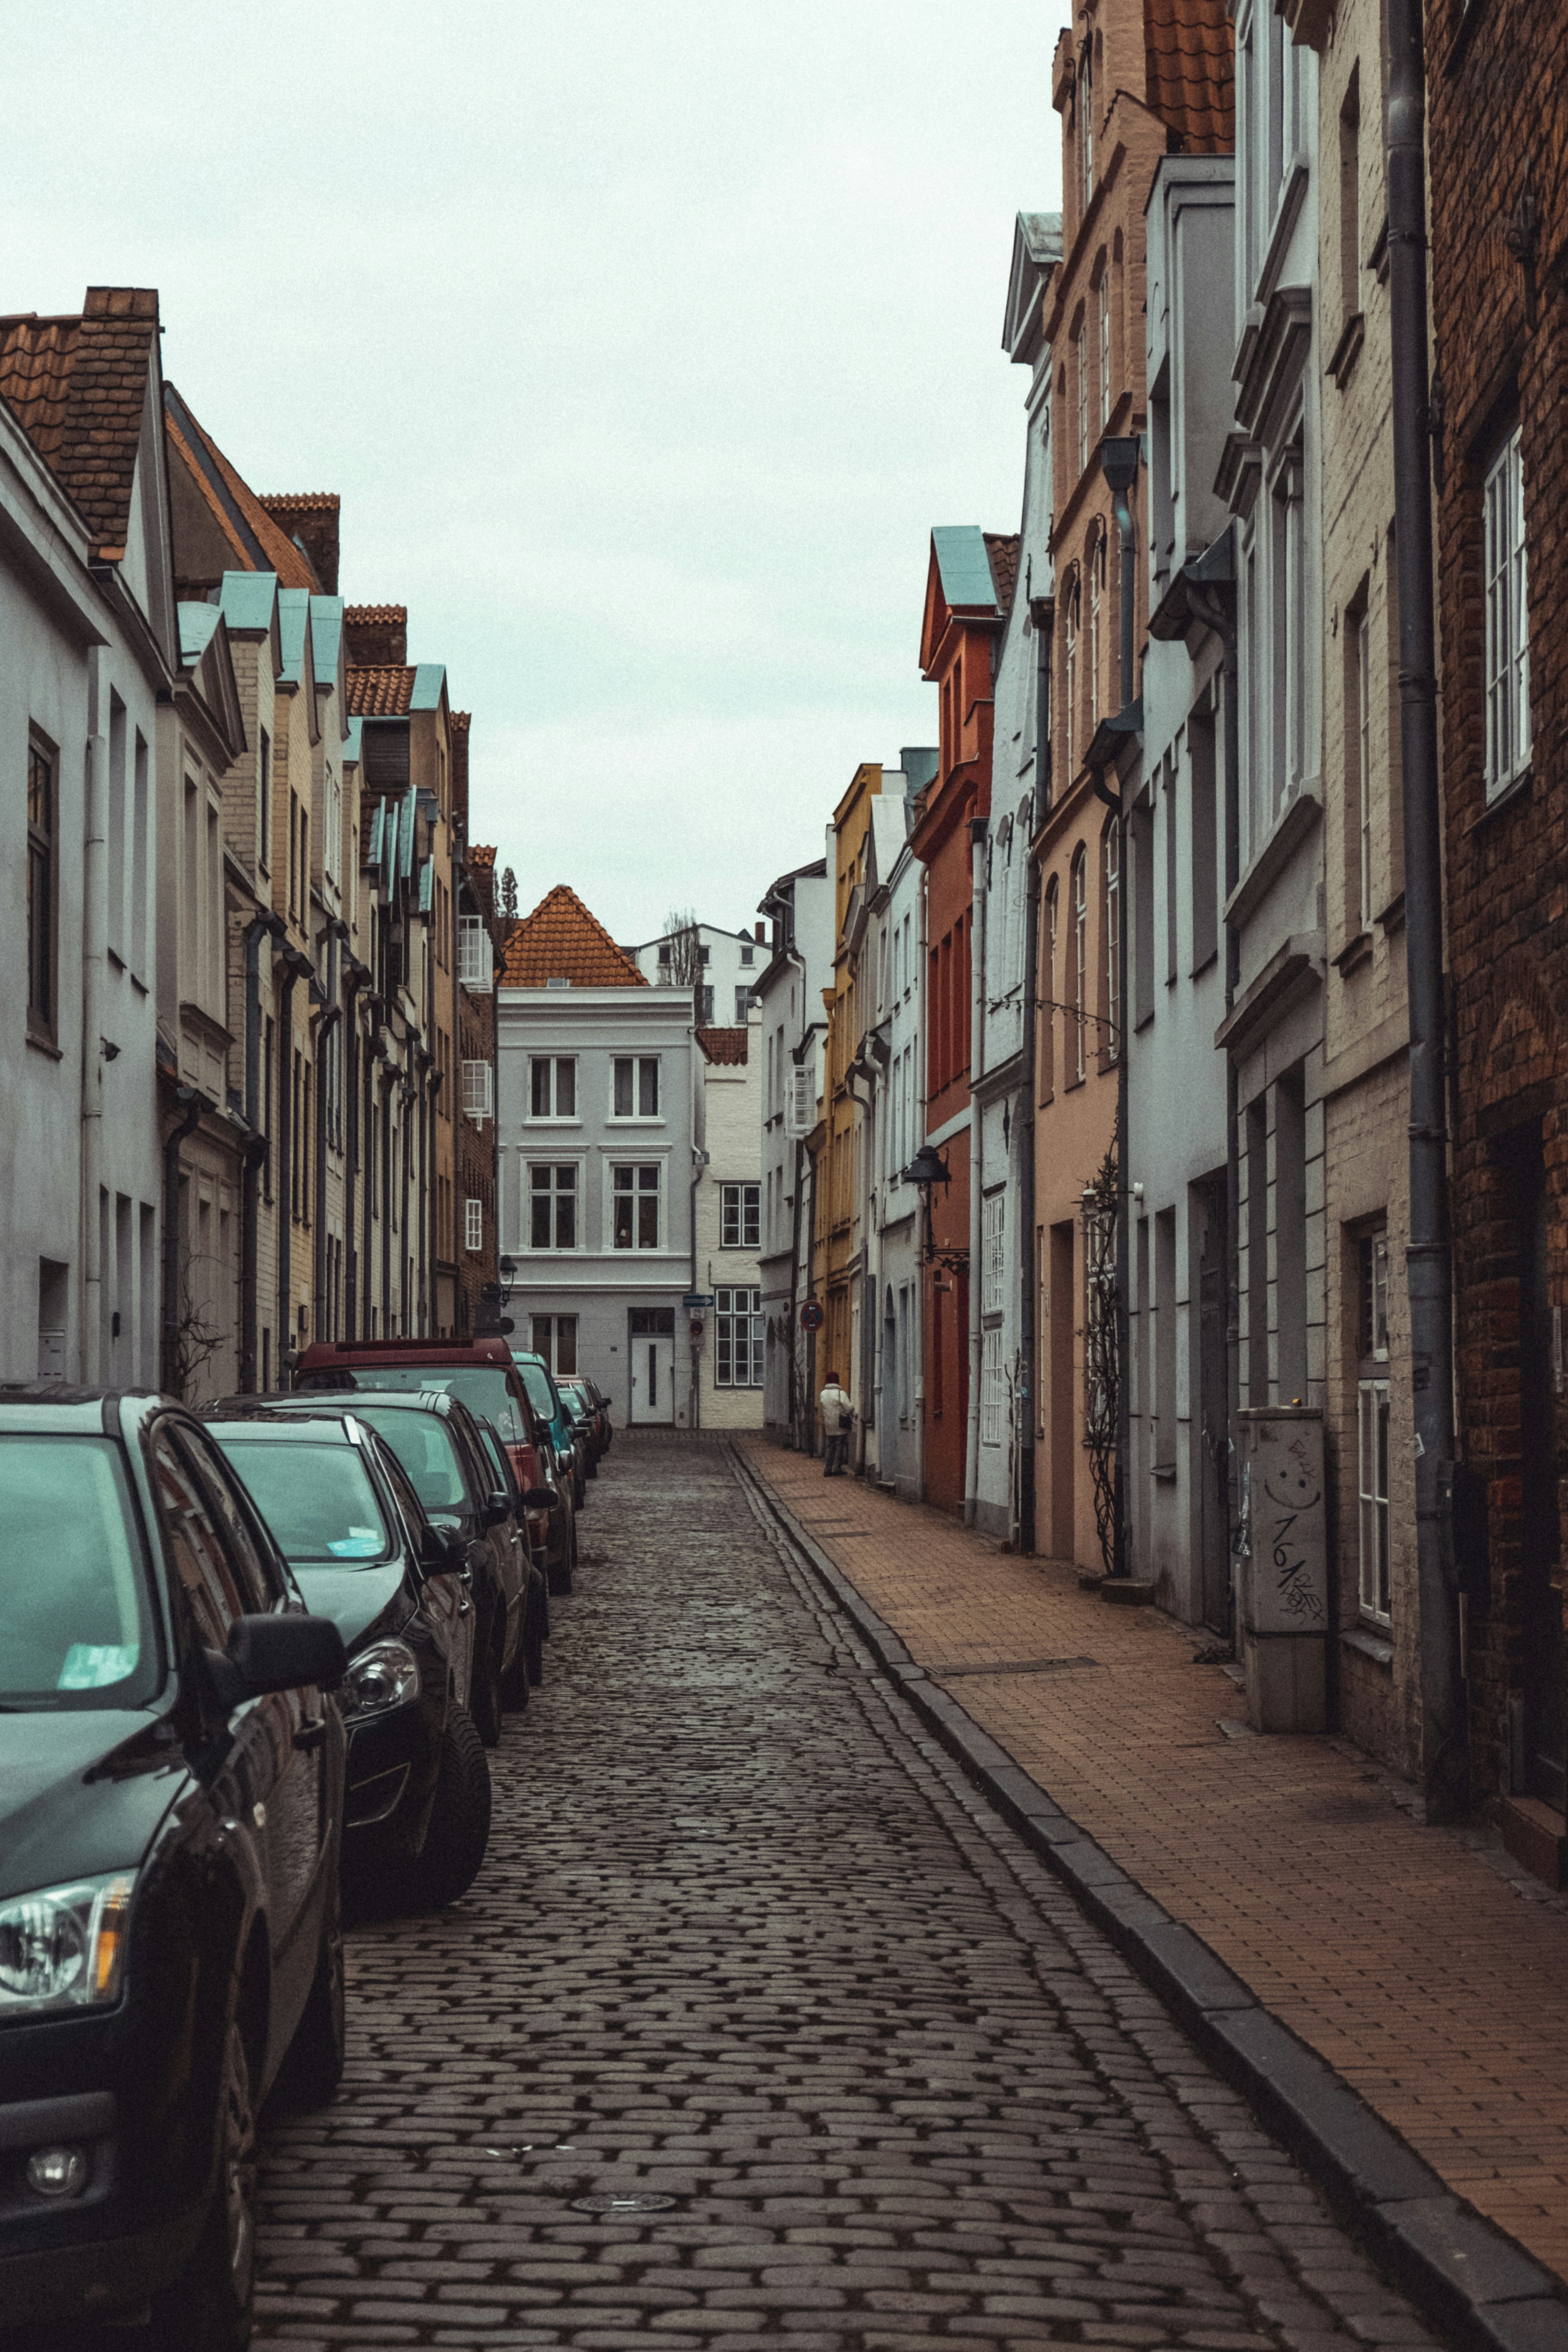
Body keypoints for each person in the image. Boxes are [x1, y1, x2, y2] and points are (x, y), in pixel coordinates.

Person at [819, 1372, 853, 1477]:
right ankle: (836, 1468)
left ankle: (827, 1469)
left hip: (829, 1424)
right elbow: (848, 1408)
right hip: (840, 1423)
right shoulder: (840, 1393)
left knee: (830, 1446)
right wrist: (851, 1409)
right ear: (837, 1380)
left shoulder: (823, 1393)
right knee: (840, 1446)